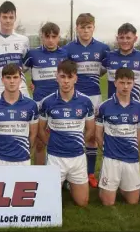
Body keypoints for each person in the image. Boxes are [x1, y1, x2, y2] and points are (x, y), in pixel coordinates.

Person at [38, 59, 95, 207]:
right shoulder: (47, 102)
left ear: (75, 78)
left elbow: (90, 129)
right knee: (49, 203)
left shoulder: (86, 102)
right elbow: (41, 128)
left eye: (69, 77)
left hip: (78, 157)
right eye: (62, 77)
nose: (66, 81)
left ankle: (70, 183)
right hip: (55, 157)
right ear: (57, 77)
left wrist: (80, 143)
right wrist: (49, 144)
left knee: (83, 202)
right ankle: (61, 181)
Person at [63, 13, 110, 188]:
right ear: (77, 28)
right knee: (72, 134)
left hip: (95, 96)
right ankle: (69, 173)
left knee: (91, 137)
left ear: (93, 28)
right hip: (74, 98)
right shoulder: (68, 49)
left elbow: (107, 70)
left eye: (88, 27)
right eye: (82, 27)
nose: (85, 30)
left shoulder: (103, 48)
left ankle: (89, 173)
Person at [95, 68, 140, 206]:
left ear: (133, 83)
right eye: (122, 82)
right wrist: (106, 150)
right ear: (115, 82)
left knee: (133, 201)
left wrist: (131, 149)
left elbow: (139, 134)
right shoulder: (104, 106)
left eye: (128, 83)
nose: (125, 86)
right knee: (107, 202)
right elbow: (98, 134)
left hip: (131, 158)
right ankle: (105, 184)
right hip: (111, 158)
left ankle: (122, 185)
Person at [23, 22, 68, 165]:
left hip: (59, 104)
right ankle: (39, 176)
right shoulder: (33, 54)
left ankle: (62, 173)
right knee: (40, 141)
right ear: (42, 37)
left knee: (61, 139)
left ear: (58, 37)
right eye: (47, 36)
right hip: (39, 103)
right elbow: (18, 72)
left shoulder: (65, 54)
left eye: (54, 37)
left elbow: (69, 76)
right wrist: (28, 83)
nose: (50, 40)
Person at [0, 64, 39, 166]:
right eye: (8, 77)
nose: (12, 81)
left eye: (15, 77)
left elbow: (33, 134)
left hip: (22, 159)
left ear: (20, 80)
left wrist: (24, 150)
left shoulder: (31, 105)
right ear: (2, 80)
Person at [0, 1, 30, 99]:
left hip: (21, 90)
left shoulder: (24, 40)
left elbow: (26, 66)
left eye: (11, 17)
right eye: (5, 17)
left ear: (15, 18)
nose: (8, 21)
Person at [102, 23, 140, 100]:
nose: (125, 41)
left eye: (128, 38)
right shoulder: (108, 56)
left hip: (135, 106)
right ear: (117, 38)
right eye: (121, 38)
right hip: (112, 106)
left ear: (135, 39)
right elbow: (97, 73)